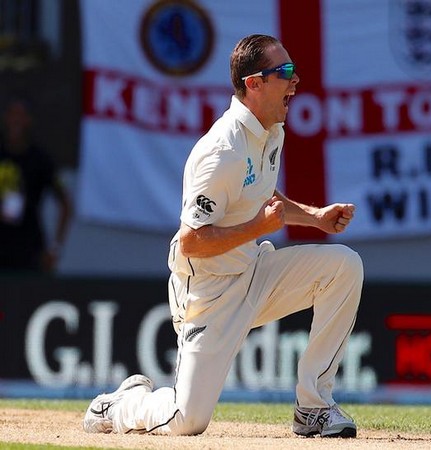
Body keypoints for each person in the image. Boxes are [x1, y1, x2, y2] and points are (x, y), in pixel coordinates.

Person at [83, 34, 363, 438]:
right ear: (254, 83)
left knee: (345, 267)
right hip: (208, 295)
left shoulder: (271, 130)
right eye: (284, 72)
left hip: (253, 271)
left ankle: (314, 408)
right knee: (187, 420)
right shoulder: (222, 150)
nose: (296, 79)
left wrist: (316, 217)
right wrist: (256, 229)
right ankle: (120, 404)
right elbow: (191, 241)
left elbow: (261, 196)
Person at [0, 96, 71, 272]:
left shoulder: (41, 160)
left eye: (21, 115)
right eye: (12, 114)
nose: (16, 120)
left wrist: (55, 249)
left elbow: (66, 204)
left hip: (29, 250)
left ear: (29, 120)